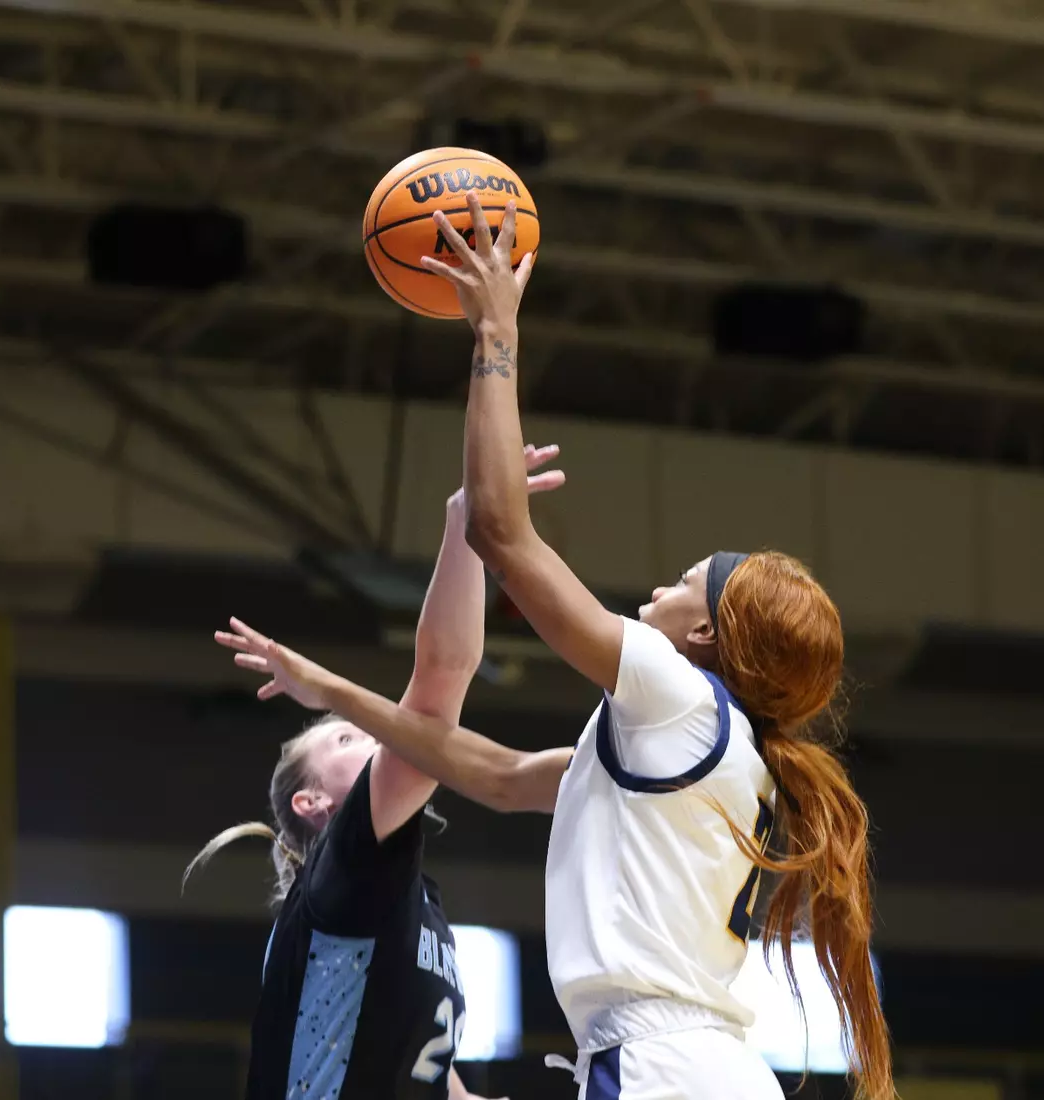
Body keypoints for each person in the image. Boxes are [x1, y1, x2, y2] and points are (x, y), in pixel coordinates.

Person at [215, 193, 894, 1100]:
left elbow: (504, 532)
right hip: (706, 1069)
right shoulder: (722, 754)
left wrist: (494, 332)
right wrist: (329, 688)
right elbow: (490, 773)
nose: (658, 587)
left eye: (684, 582)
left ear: (705, 634)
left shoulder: (676, 696)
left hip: (660, 1069)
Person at [186, 446, 565, 1100]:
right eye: (345, 735)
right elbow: (439, 686)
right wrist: (466, 529)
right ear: (312, 802)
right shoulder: (345, 867)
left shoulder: (411, 898)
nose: (371, 732)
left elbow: (433, 1080)